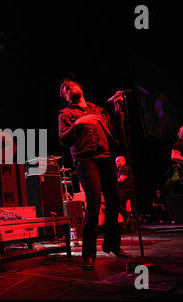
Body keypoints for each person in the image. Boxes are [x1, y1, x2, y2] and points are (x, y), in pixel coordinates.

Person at [58, 78, 131, 271]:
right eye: (65, 89)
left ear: (80, 87)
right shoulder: (66, 114)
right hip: (85, 159)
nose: (69, 88)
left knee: (115, 200)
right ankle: (89, 254)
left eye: (72, 85)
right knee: (94, 204)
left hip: (105, 156)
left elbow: (114, 129)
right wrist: (79, 123)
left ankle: (112, 244)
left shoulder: (97, 109)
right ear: (65, 97)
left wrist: (118, 108)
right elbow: (64, 140)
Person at [115, 156, 133, 225]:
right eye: (116, 162)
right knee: (121, 206)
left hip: (126, 191)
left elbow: (122, 179)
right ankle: (128, 222)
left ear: (123, 161)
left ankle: (126, 215)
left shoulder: (125, 168)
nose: (116, 163)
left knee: (114, 201)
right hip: (121, 191)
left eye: (118, 161)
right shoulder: (118, 170)